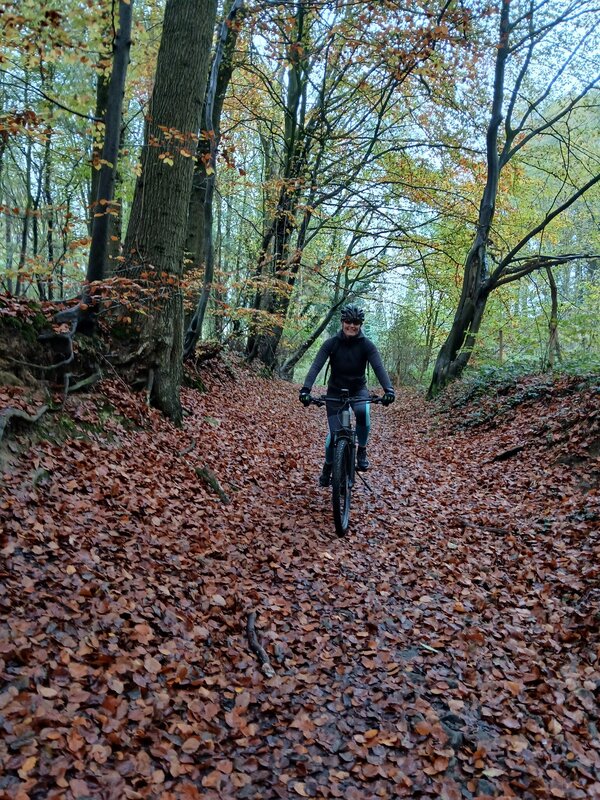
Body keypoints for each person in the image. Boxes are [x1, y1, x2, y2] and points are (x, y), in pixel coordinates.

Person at [298, 304, 395, 486]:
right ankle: (328, 466)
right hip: (335, 391)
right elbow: (316, 366)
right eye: (348, 321)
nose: (352, 325)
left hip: (358, 389)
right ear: (342, 322)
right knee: (335, 436)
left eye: (356, 322)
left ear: (360, 324)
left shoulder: (367, 345)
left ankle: (362, 450)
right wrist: (306, 389)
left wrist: (388, 389)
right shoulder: (332, 343)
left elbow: (379, 367)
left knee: (362, 414)